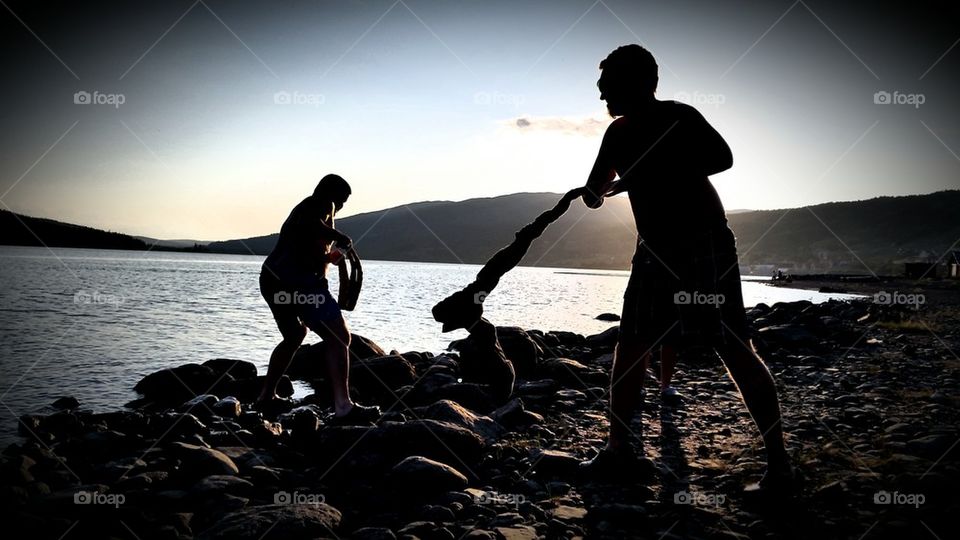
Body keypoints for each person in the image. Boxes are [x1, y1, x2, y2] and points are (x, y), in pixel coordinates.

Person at [578, 45, 794, 492]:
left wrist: (646, 173)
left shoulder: (680, 115)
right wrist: (593, 192)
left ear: (638, 84)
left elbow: (722, 158)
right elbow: (596, 189)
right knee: (631, 343)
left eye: (608, 89)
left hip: (703, 245)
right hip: (652, 250)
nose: (602, 98)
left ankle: (779, 466)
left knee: (733, 345)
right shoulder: (616, 134)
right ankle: (618, 450)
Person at [257, 174, 380, 425]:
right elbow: (311, 225)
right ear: (333, 195)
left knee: (293, 335)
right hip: (299, 282)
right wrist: (341, 236)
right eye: (343, 201)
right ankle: (343, 406)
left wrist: (330, 255)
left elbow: (310, 248)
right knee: (339, 336)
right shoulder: (321, 204)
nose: (342, 207)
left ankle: (266, 397)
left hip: (272, 279)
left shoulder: (302, 211)